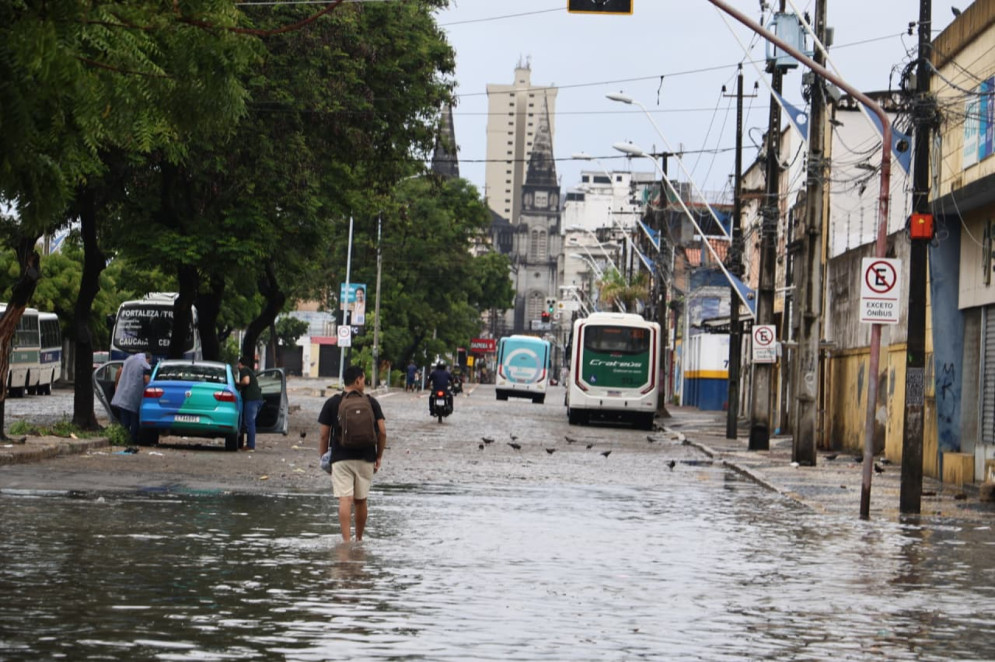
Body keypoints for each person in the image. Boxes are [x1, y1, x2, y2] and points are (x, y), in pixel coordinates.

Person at [318, 365, 387, 542]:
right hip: (366, 458)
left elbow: (324, 434)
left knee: (345, 500)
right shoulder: (371, 402)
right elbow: (382, 432)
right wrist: (378, 456)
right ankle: (359, 539)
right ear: (357, 380)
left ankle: (346, 543)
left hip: (341, 458)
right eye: (364, 379)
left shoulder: (333, 402)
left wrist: (325, 458)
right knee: (361, 500)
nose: (364, 383)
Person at [111, 352, 151, 443]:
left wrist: (117, 384)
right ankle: (132, 439)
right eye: (149, 361)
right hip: (135, 397)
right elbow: (146, 379)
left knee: (124, 420)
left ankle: (123, 438)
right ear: (147, 359)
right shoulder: (145, 365)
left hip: (124, 394)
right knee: (134, 419)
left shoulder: (128, 360)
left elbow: (119, 370)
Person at [237, 356, 264, 451]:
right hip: (256, 399)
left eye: (238, 364)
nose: (237, 366)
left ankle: (250, 446)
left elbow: (246, 381)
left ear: (240, 364)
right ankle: (249, 444)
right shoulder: (249, 370)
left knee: (249, 422)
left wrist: (238, 383)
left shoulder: (244, 370)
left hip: (252, 400)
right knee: (249, 422)